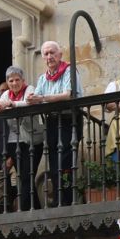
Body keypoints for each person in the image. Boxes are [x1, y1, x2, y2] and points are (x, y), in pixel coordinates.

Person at [33, 41, 79, 206]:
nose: (49, 56)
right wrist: (9, 103)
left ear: (60, 55)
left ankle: (67, 197)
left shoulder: (68, 71)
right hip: (52, 122)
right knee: (54, 163)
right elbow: (35, 99)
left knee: (65, 163)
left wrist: (42, 99)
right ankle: (59, 198)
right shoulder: (43, 78)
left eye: (52, 52)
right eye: (45, 54)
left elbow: (67, 94)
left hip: (68, 120)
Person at [0, 65, 43, 211]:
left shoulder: (30, 89)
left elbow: (29, 103)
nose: (14, 83)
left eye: (17, 80)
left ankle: (27, 211)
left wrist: (12, 104)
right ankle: (35, 209)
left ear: (23, 80)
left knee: (27, 175)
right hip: (13, 142)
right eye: (11, 80)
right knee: (25, 176)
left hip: (32, 140)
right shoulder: (6, 94)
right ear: (7, 82)